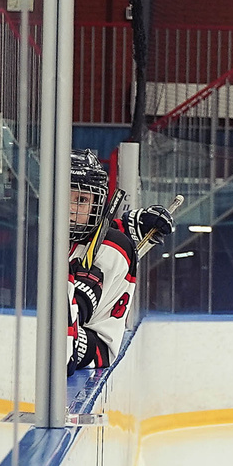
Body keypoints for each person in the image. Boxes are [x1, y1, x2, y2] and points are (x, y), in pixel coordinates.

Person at [65, 150, 171, 374]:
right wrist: (131, 224)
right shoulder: (55, 238)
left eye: (82, 200)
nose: (71, 210)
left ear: (96, 204)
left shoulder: (112, 246)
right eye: (64, 197)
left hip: (95, 346)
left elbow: (77, 308)